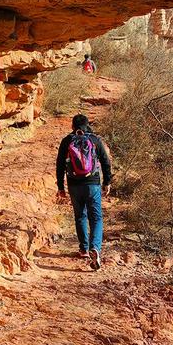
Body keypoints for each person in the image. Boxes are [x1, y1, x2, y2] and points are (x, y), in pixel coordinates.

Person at [56, 114, 112, 270]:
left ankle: (84, 249)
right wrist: (107, 182)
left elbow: (60, 165)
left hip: (74, 185)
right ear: (87, 126)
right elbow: (106, 162)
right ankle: (95, 247)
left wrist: (60, 187)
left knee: (80, 215)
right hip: (92, 184)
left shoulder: (67, 141)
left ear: (72, 126)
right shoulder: (95, 140)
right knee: (96, 217)